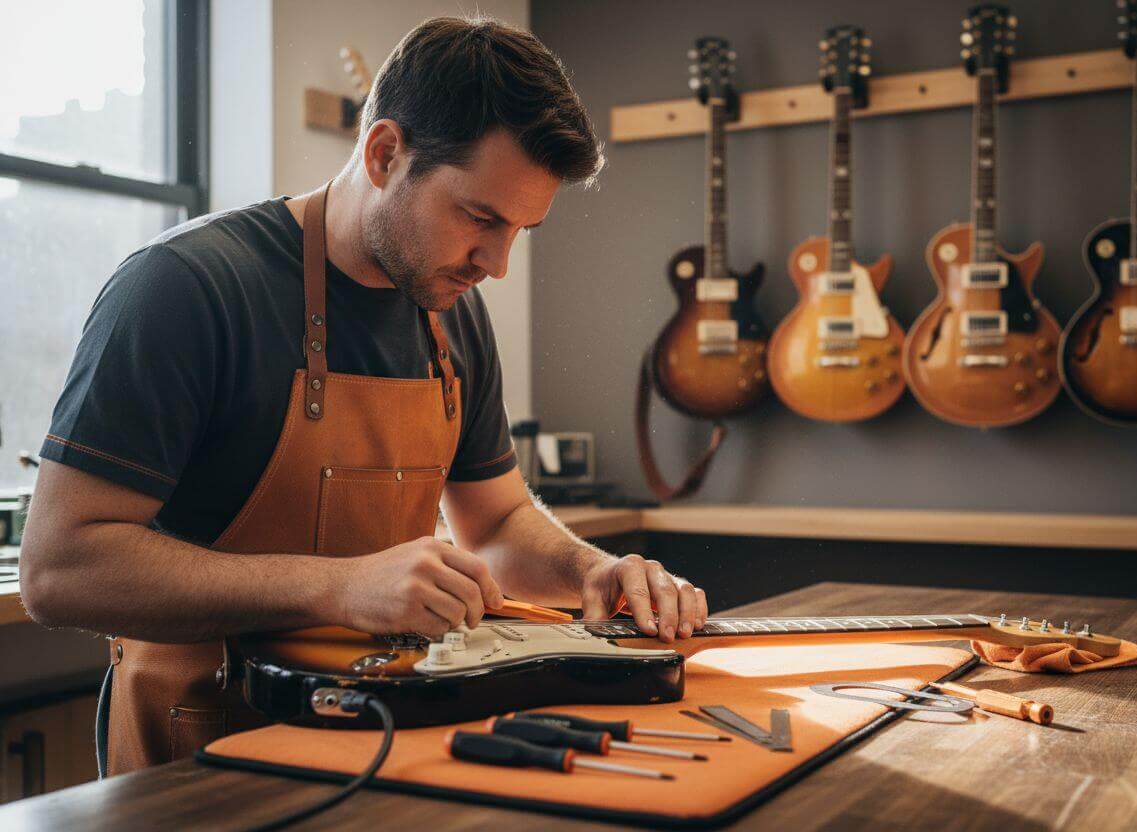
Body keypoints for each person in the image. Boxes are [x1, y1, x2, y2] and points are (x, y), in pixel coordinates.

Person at [19, 16, 707, 775]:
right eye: (480, 218)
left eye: (520, 230)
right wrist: (340, 587)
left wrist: (588, 571)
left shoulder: (453, 312)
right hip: (206, 749)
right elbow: (57, 569)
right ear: (384, 154)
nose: (497, 263)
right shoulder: (186, 288)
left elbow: (498, 523)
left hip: (391, 736)